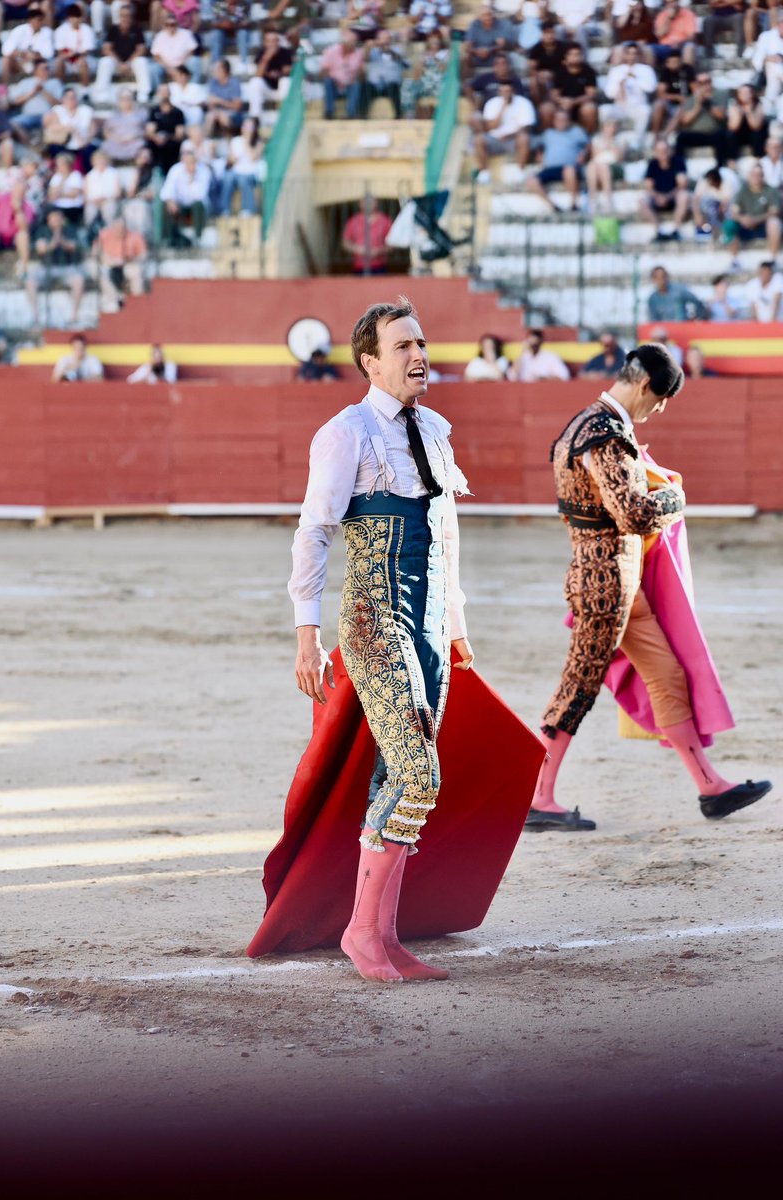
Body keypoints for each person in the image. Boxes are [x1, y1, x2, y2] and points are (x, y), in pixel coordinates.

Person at [288, 296, 474, 981]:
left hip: (426, 622)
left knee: (397, 774)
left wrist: (455, 626)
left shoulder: (435, 431)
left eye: (422, 343)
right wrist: (306, 636)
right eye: (404, 347)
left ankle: (387, 933)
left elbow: (447, 534)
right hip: (373, 617)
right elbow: (314, 530)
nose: (420, 355)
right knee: (420, 775)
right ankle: (361, 933)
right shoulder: (347, 433)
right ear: (370, 362)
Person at [527, 343, 771, 830]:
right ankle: (539, 798)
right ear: (642, 385)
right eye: (659, 399)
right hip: (605, 585)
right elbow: (634, 514)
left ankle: (710, 788)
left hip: (621, 584)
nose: (658, 409)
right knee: (577, 687)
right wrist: (675, 498)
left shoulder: (584, 426)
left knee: (667, 675)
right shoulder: (603, 434)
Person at [27, 207, 86, 327]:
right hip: (46, 267)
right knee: (30, 281)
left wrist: (61, 239)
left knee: (79, 280)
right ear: (48, 220)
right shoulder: (42, 230)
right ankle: (35, 316)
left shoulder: (69, 229)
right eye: (53, 218)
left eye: (58, 218)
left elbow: (73, 246)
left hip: (67, 267)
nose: (56, 221)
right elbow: (41, 249)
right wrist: (54, 242)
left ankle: (74, 316)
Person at [526, 108, 589, 212]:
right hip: (550, 168)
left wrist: (584, 154)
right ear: (554, 121)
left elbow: (588, 145)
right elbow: (539, 146)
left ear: (569, 121)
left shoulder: (576, 132)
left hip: (569, 167)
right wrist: (539, 154)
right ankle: (553, 206)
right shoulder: (548, 134)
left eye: (564, 119)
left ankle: (574, 204)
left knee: (569, 170)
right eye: (559, 119)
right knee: (530, 180)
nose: (562, 122)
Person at [471, 80, 536, 181]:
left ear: (513, 91)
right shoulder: (492, 103)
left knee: (524, 138)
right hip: (494, 139)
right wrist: (503, 108)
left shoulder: (523, 103)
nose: (506, 93)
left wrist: (509, 135)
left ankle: (520, 171)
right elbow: (489, 127)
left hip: (514, 140)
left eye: (508, 91)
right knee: (478, 139)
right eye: (503, 91)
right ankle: (484, 172)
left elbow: (526, 127)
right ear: (499, 92)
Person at [723, 160, 783, 264]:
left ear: (763, 176)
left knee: (774, 222)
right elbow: (734, 212)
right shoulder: (742, 191)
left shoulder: (771, 191)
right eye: (754, 175)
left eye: (759, 175)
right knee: (729, 224)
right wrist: (743, 219)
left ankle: (773, 258)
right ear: (749, 176)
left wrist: (756, 219)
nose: (756, 177)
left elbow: (775, 212)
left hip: (763, 226)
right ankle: (734, 260)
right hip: (745, 226)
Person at [94, 3, 152, 104]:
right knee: (105, 61)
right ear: (119, 17)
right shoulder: (113, 29)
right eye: (122, 15)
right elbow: (106, 49)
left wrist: (128, 63)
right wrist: (119, 63)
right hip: (117, 64)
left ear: (131, 17)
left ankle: (144, 94)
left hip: (131, 65)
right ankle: (101, 94)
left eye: (127, 15)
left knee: (142, 61)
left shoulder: (137, 29)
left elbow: (141, 49)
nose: (125, 18)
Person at [639, 137, 690, 241]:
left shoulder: (678, 162)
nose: (663, 153)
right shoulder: (652, 164)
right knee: (642, 200)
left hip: (673, 198)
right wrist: (658, 197)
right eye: (660, 151)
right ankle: (659, 231)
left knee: (684, 196)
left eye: (665, 150)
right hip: (658, 199)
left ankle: (676, 230)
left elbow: (682, 184)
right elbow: (648, 186)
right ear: (655, 152)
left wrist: (668, 197)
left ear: (670, 150)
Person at [159, 143, 210, 243]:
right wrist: (171, 201)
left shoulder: (204, 171)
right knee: (167, 206)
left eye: (190, 156)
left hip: (196, 207)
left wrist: (192, 177)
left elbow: (200, 196)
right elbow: (165, 191)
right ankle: (168, 239)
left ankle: (197, 238)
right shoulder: (175, 170)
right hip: (180, 206)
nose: (187, 159)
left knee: (198, 205)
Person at [96, 214, 148, 311]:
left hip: (128, 264)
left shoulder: (135, 236)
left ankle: (138, 304)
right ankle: (114, 298)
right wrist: (107, 259)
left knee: (136, 273)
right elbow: (96, 252)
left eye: (122, 228)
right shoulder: (104, 235)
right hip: (108, 265)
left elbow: (143, 255)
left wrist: (132, 258)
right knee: (99, 273)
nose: (120, 230)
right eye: (117, 228)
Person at [0, 179, 34, 277]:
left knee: (23, 235)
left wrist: (18, 210)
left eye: (21, 191)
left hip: (15, 239)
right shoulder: (2, 197)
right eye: (17, 190)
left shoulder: (27, 206)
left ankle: (24, 270)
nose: (18, 193)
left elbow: (24, 227)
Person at [219, 115, 264, 216]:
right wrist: (232, 158)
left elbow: (253, 157)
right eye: (245, 126)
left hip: (251, 173)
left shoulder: (259, 142)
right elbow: (230, 160)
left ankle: (248, 209)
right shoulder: (235, 141)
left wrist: (246, 141)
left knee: (244, 180)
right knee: (227, 178)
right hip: (236, 172)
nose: (246, 129)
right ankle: (224, 209)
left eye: (249, 127)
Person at [245, 27, 293, 121]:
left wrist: (278, 74)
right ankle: (255, 118)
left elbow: (288, 70)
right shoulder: (261, 53)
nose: (272, 44)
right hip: (267, 89)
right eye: (269, 41)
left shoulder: (285, 52)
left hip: (282, 89)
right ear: (265, 42)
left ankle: (286, 114)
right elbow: (258, 74)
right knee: (255, 82)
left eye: (274, 41)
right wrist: (267, 58)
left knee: (286, 81)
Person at [1, 7, 55, 86]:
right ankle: (4, 87)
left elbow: (49, 54)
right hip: (19, 63)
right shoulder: (19, 30)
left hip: (36, 63)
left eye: (41, 20)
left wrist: (34, 55)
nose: (40, 22)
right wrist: (22, 54)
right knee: (6, 60)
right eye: (38, 20)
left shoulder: (47, 32)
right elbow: (6, 50)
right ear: (30, 20)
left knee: (43, 64)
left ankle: (42, 87)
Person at [319, 27, 365, 119]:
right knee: (328, 82)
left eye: (355, 42)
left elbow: (362, 74)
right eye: (351, 42)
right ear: (344, 43)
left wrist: (360, 74)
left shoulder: (358, 53)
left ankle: (351, 113)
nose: (353, 44)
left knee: (357, 84)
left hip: (350, 85)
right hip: (334, 86)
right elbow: (321, 73)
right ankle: (329, 112)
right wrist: (331, 76)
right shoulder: (331, 51)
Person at [341, 196, 393, 275]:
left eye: (371, 202)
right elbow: (345, 242)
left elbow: (392, 244)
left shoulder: (385, 221)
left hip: (380, 267)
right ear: (360, 204)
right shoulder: (353, 221)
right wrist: (357, 249)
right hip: (358, 267)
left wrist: (378, 251)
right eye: (364, 202)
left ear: (376, 203)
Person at [53, 4, 96, 88]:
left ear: (81, 18)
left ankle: (85, 91)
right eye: (73, 17)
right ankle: (59, 89)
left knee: (82, 62)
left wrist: (75, 53)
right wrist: (69, 55)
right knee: (59, 62)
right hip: (67, 59)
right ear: (68, 18)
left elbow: (86, 51)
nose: (75, 20)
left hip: (84, 59)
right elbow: (60, 51)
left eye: (77, 17)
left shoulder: (87, 29)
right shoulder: (60, 30)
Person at [203, 57, 243, 138]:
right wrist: (214, 107)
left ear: (224, 70)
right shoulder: (212, 82)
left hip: (233, 114)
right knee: (210, 116)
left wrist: (220, 101)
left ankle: (229, 142)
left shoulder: (234, 83)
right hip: (217, 112)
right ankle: (204, 143)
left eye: (216, 69)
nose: (214, 71)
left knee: (223, 116)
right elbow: (210, 103)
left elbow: (237, 106)